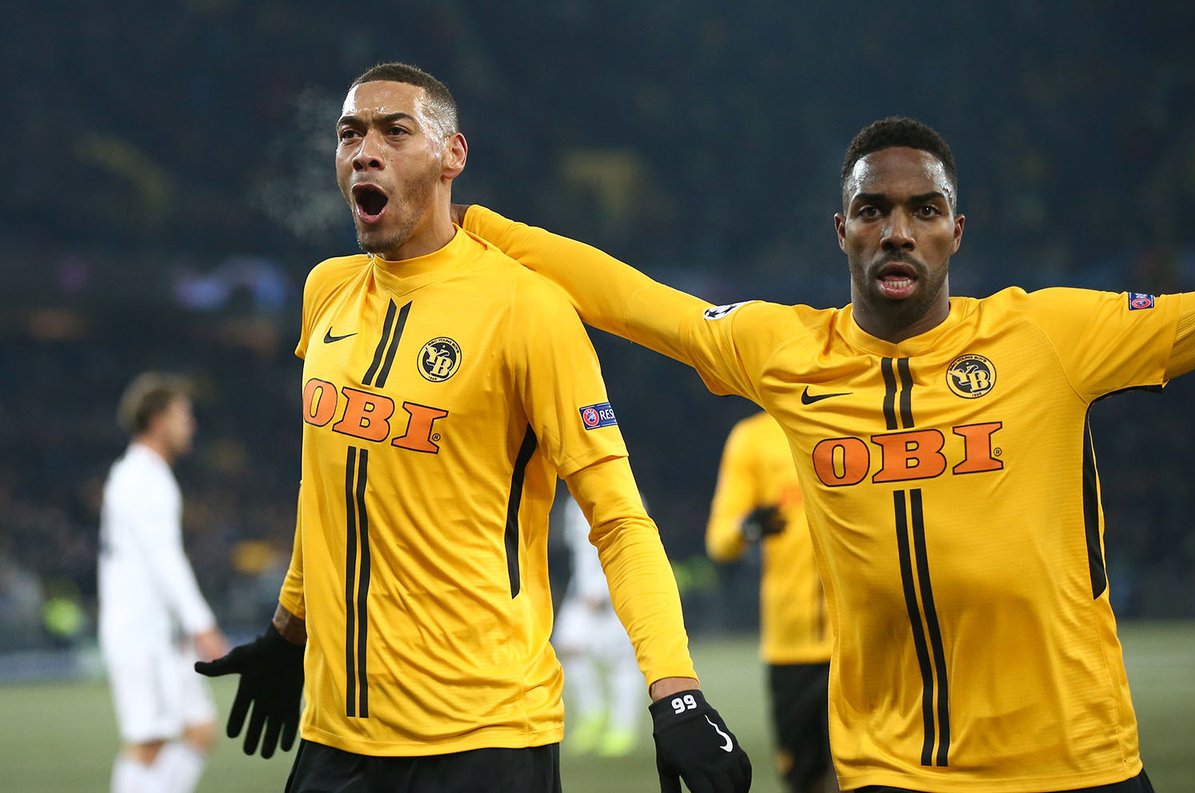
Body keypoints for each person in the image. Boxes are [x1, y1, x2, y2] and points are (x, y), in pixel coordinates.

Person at [454, 116, 1195, 791]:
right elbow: (633, 300)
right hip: (892, 769)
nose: (898, 231)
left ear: (957, 231)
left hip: (1075, 761)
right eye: (874, 210)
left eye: (925, 210)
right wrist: (473, 223)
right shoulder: (792, 353)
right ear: (842, 230)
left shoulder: (1047, 336)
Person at [195, 62, 751, 793]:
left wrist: (674, 688)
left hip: (484, 740)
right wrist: (286, 630)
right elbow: (325, 490)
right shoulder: (326, 291)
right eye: (350, 134)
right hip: (335, 739)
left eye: (395, 131)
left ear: (451, 154)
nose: (366, 152)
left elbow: (618, 518)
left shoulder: (526, 309)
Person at [98, 372, 230, 793]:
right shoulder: (144, 478)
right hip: (142, 632)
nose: (190, 425)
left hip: (162, 633)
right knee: (149, 741)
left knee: (200, 730)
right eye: (182, 416)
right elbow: (164, 559)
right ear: (157, 420)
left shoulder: (139, 474)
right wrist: (202, 625)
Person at [706, 411, 834, 793]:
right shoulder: (754, 438)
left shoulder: (859, 417)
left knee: (867, 774)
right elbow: (720, 541)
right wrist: (747, 526)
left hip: (863, 643)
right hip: (790, 644)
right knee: (804, 779)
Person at [553, 493, 645, 758]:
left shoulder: (621, 491)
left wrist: (602, 588)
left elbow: (629, 546)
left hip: (615, 592)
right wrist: (582, 586)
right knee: (568, 647)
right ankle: (593, 713)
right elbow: (581, 553)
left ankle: (623, 727)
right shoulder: (573, 502)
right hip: (581, 592)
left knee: (622, 660)